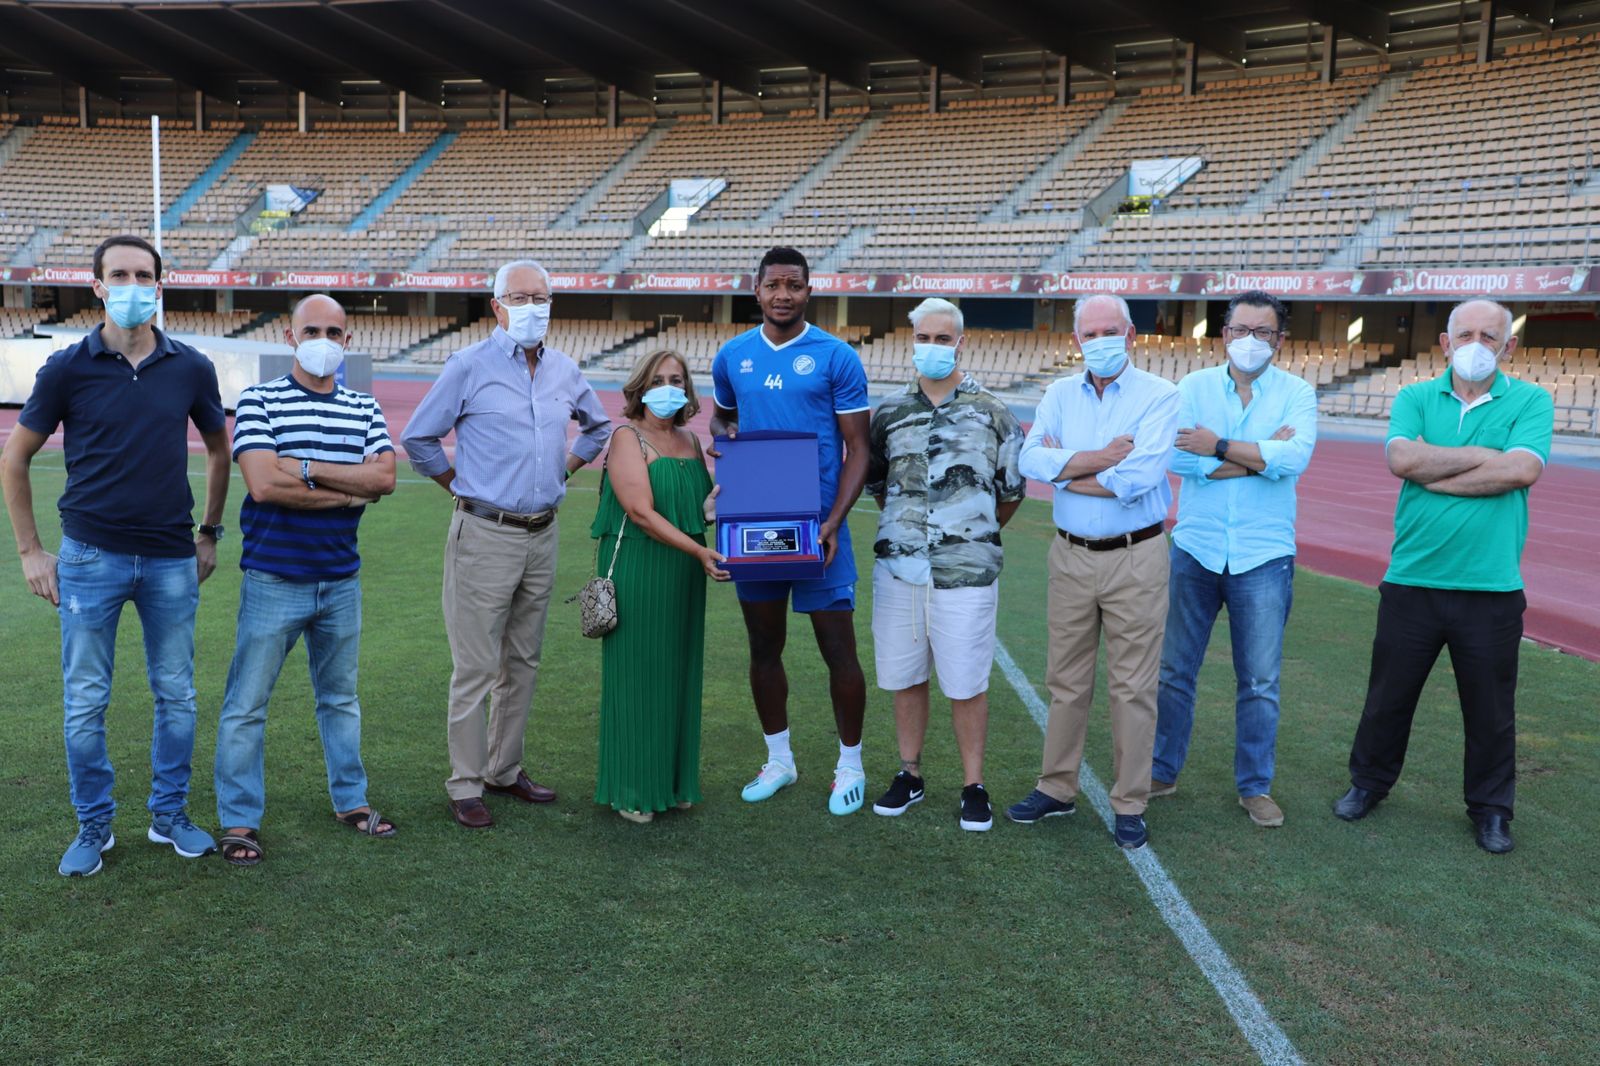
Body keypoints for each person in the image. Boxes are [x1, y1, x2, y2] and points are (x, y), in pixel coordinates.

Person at [1, 235, 230, 876]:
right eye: (119, 275)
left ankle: (169, 817)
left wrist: (208, 531)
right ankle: (94, 826)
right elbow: (13, 458)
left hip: (168, 560)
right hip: (88, 557)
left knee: (177, 694)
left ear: (160, 284)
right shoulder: (67, 367)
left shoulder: (190, 366)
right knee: (84, 701)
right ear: (98, 285)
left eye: (144, 275)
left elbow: (219, 449)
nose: (133, 284)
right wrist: (30, 551)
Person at [1334, 299, 1552, 855]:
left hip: (1491, 588)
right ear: (1446, 343)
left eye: (1490, 335)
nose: (1477, 343)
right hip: (1413, 580)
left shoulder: (1531, 400)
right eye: (1466, 333)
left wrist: (1440, 467)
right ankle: (1368, 784)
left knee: (1491, 712)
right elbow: (1403, 461)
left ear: (1510, 346)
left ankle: (1491, 810)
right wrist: (1484, 460)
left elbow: (1522, 469)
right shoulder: (1414, 396)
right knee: (1388, 697)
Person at [401, 258, 612, 829]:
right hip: (484, 532)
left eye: (540, 297)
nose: (531, 307)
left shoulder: (566, 370)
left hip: (542, 533)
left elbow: (599, 427)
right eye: (518, 298)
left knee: (523, 660)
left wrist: (563, 470)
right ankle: (465, 782)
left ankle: (503, 768)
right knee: (475, 665)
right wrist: (459, 486)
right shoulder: (468, 366)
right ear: (496, 307)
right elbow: (418, 437)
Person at [211, 295, 398, 866]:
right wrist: (347, 491)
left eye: (333, 330)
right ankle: (239, 819)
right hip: (275, 577)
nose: (323, 338)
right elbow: (264, 486)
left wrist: (308, 468)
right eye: (311, 329)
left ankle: (351, 800)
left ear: (348, 340)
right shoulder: (259, 399)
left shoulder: (364, 407)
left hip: (340, 579)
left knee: (340, 699)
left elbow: (385, 478)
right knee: (247, 703)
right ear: (291, 337)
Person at [1009, 294, 1178, 851]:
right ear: (1076, 339)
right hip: (1072, 554)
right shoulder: (1058, 392)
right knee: (1066, 680)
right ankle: (1056, 788)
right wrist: (1105, 456)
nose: (1100, 339)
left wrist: (1067, 469)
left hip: (1137, 555)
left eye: (1112, 329)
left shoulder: (1161, 396)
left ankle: (1129, 804)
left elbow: (1140, 477)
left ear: (1131, 336)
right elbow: (1029, 461)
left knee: (1133, 687)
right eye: (1090, 332)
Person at [708, 246, 872, 815]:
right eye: (773, 285)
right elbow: (723, 417)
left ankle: (850, 764)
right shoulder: (733, 356)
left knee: (838, 652)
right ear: (755, 290)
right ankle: (779, 759)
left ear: (809, 290)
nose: (783, 294)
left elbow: (859, 449)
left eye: (794, 285)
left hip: (820, 531)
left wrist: (832, 523)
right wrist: (723, 441)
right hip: (755, 528)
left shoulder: (836, 357)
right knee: (763, 646)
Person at [1153, 290, 1318, 828]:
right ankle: (1162, 769)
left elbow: (1295, 457)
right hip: (1196, 548)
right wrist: (1259, 455)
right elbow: (1178, 457)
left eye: (1263, 333)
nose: (1251, 341)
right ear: (1224, 334)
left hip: (1264, 555)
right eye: (1241, 330)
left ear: (1279, 339)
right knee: (1176, 670)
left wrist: (1217, 446)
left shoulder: (1298, 391)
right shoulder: (1192, 387)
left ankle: (1254, 786)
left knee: (1260, 681)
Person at [865, 298, 1025, 832]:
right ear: (911, 341)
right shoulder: (888, 412)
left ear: (961, 341)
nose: (932, 347)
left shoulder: (994, 413)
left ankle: (972, 784)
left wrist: (966, 531)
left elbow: (1010, 491)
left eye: (943, 338)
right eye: (923, 337)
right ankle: (910, 773)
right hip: (900, 569)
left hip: (966, 570)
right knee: (905, 676)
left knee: (966, 681)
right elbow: (877, 482)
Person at [591, 349, 728, 824]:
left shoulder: (691, 440)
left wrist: (728, 500)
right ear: (640, 388)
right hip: (642, 569)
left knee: (678, 673)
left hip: (686, 574)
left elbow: (696, 509)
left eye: (677, 379)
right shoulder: (627, 437)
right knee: (640, 675)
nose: (668, 386)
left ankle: (672, 783)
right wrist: (698, 551)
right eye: (658, 379)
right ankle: (632, 787)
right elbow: (642, 514)